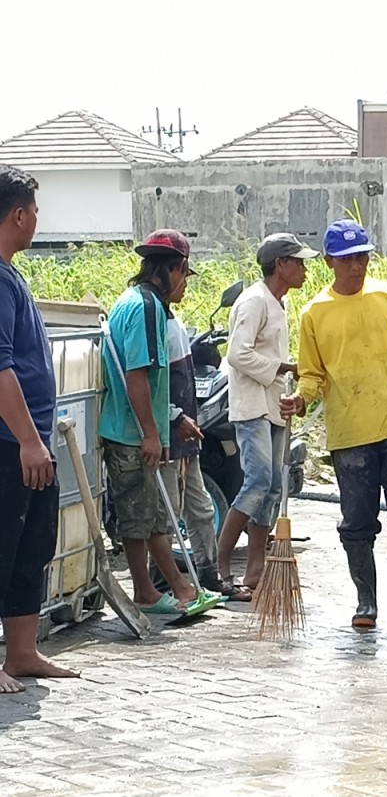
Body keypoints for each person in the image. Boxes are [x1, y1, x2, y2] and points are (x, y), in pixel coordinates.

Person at [281, 220, 387, 630]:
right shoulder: (315, 314)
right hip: (350, 435)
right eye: (346, 260)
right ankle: (366, 600)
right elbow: (312, 374)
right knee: (357, 521)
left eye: (362, 257)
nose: (356, 266)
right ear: (329, 263)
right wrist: (301, 399)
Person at [0, 166, 79, 693]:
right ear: (19, 214)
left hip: (32, 440)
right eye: (35, 212)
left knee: (31, 548)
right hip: (10, 443)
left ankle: (23, 653)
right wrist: (28, 439)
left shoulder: (12, 273)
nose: (36, 222)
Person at [99, 229, 200, 614]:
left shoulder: (136, 301)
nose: (185, 287)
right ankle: (149, 590)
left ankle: (173, 586)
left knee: (154, 515)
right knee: (139, 517)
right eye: (186, 277)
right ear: (176, 269)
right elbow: (138, 375)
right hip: (131, 431)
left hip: (133, 428)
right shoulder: (146, 308)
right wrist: (151, 433)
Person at [217, 233, 317, 601]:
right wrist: (282, 367)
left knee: (273, 487)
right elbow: (238, 355)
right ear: (281, 265)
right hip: (252, 406)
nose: (305, 270)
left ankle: (256, 570)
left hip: (272, 405)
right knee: (258, 481)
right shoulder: (254, 301)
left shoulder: (276, 302)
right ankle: (223, 565)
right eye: (299, 263)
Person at [161, 255, 220, 593]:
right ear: (168, 272)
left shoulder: (174, 319)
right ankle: (165, 582)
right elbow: (150, 380)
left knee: (200, 508)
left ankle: (208, 576)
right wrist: (173, 417)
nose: (186, 284)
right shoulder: (151, 317)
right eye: (183, 276)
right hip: (170, 433)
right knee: (168, 513)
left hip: (186, 434)